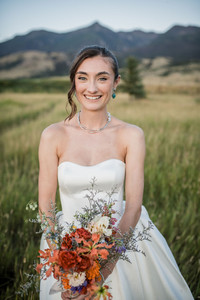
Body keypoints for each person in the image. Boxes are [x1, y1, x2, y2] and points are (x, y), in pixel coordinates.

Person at [38, 45, 194, 300]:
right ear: (74, 82)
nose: (92, 88)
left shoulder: (131, 135)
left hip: (121, 240)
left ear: (116, 83)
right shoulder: (52, 135)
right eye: (82, 77)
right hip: (66, 244)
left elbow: (133, 206)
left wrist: (104, 269)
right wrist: (64, 264)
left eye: (102, 78)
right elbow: (46, 204)